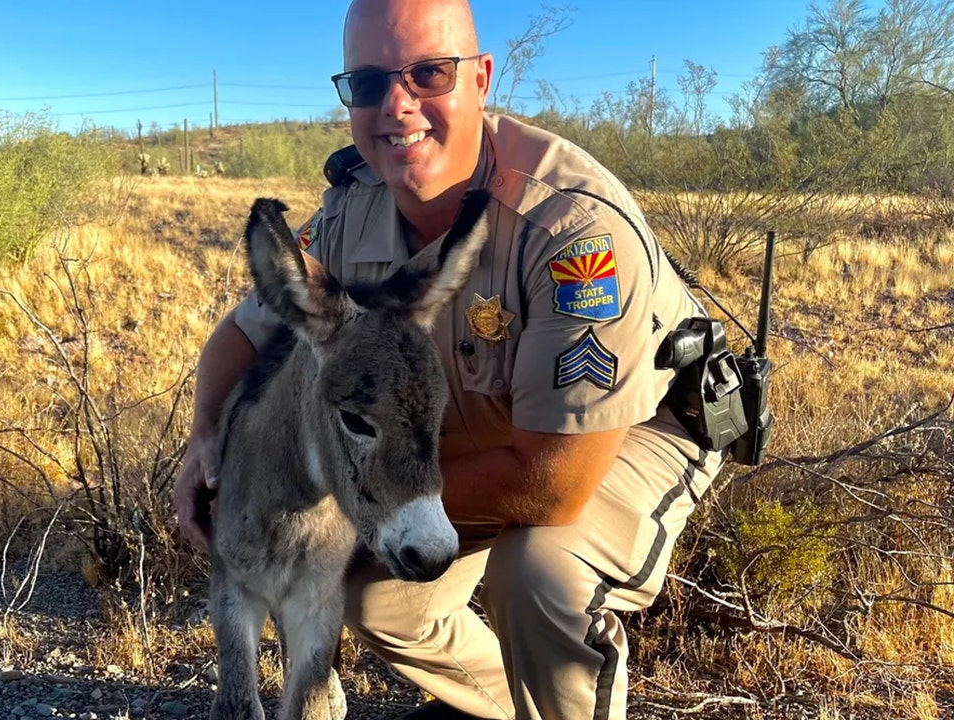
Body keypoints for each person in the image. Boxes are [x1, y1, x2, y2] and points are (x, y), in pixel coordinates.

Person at [173, 0, 724, 718]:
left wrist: (350, 505)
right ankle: (510, 706)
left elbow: (552, 482)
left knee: (539, 574)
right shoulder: (352, 208)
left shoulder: (572, 234)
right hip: (491, 426)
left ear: (482, 77)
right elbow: (244, 333)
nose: (397, 107)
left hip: (628, 429)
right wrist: (208, 436)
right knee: (369, 586)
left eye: (428, 73)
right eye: (368, 84)